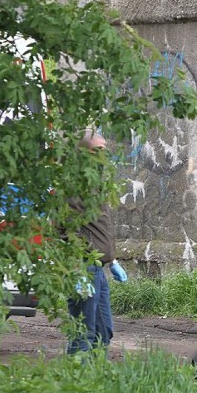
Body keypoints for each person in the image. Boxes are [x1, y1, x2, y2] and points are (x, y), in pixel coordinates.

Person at [67, 131, 128, 357]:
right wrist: (75, 270)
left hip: (98, 269)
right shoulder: (75, 187)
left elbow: (98, 228)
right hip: (83, 268)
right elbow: (64, 231)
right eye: (99, 151)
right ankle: (76, 384)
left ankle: (93, 380)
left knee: (104, 331)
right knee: (83, 333)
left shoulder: (95, 185)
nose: (105, 155)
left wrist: (113, 260)